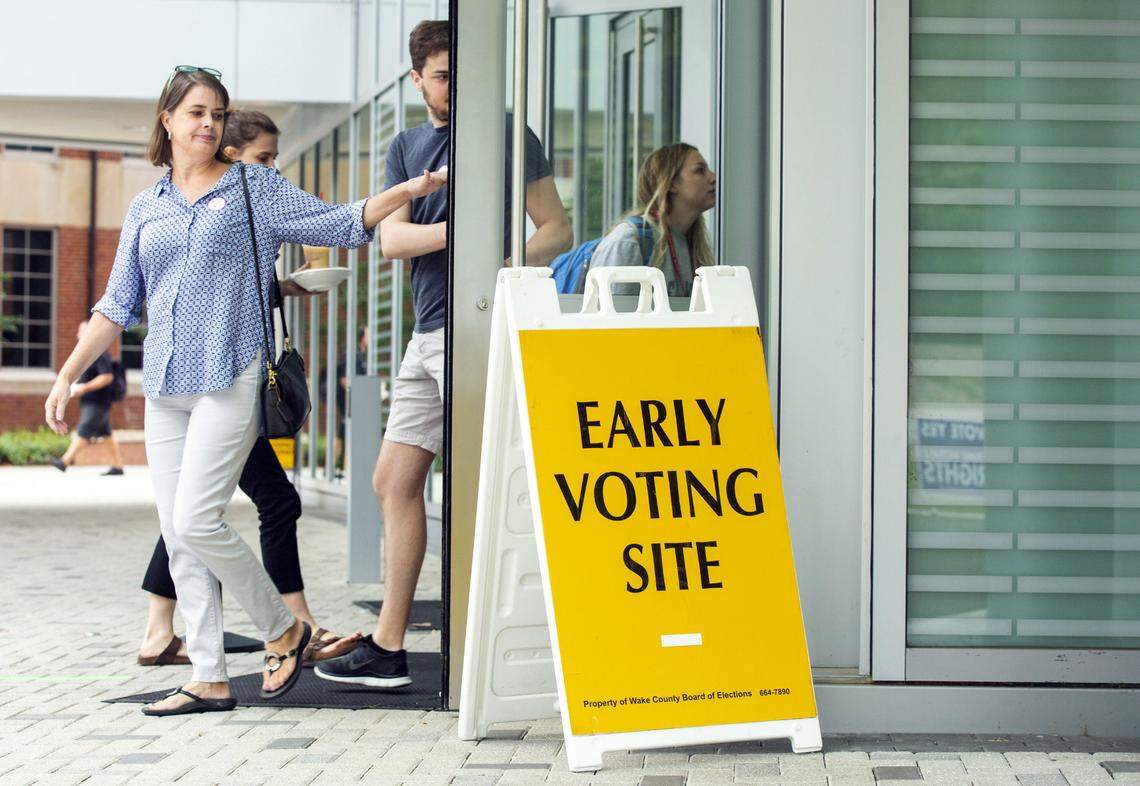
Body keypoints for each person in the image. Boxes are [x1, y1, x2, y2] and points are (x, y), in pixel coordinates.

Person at [45, 66, 446, 716]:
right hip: (166, 383)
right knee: (178, 535)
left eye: (217, 112)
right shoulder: (147, 206)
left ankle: (284, 628)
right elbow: (117, 303)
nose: (207, 123)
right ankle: (206, 676)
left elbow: (340, 222)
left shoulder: (254, 189)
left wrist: (404, 191)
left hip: (230, 375)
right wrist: (67, 371)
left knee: (197, 518)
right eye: (195, 111)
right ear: (167, 120)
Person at [316, 20, 572, 689]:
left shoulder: (507, 132)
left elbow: (557, 228)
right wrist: (470, 233)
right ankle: (389, 647)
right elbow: (392, 242)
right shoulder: (406, 146)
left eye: (463, 74)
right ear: (418, 80)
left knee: (494, 485)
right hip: (429, 332)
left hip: (483, 326)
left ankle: (533, 638)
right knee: (391, 482)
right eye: (442, 76)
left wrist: (504, 261)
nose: (455, 88)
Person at [136, 109, 361, 672]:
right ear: (231, 158)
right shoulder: (191, 204)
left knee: (192, 509)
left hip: (222, 384)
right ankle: (289, 627)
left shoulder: (248, 203)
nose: (271, 171)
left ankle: (166, 631)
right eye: (262, 158)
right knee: (219, 508)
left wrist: (281, 286)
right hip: (210, 383)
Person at [589, 143, 717, 297]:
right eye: (699, 170)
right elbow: (610, 318)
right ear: (671, 184)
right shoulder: (629, 241)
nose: (713, 177)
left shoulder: (693, 245)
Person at [49, 320, 126, 476]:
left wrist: (84, 387)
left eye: (81, 331)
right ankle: (118, 466)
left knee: (84, 430)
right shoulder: (89, 355)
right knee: (106, 434)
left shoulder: (100, 353)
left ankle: (64, 461)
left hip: (97, 401)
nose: (78, 335)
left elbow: (106, 377)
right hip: (92, 401)